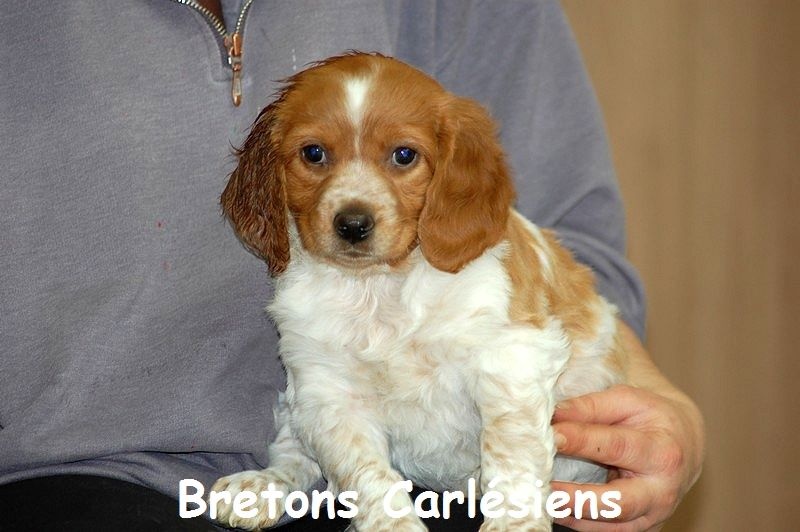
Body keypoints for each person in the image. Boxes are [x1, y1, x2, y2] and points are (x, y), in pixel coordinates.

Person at [0, 1, 703, 530]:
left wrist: (664, 410)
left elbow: (560, 278)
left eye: (403, 158)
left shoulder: (474, 249)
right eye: (315, 155)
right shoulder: (306, 292)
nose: (354, 205)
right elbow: (328, 400)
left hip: (503, 485)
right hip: (75, 481)